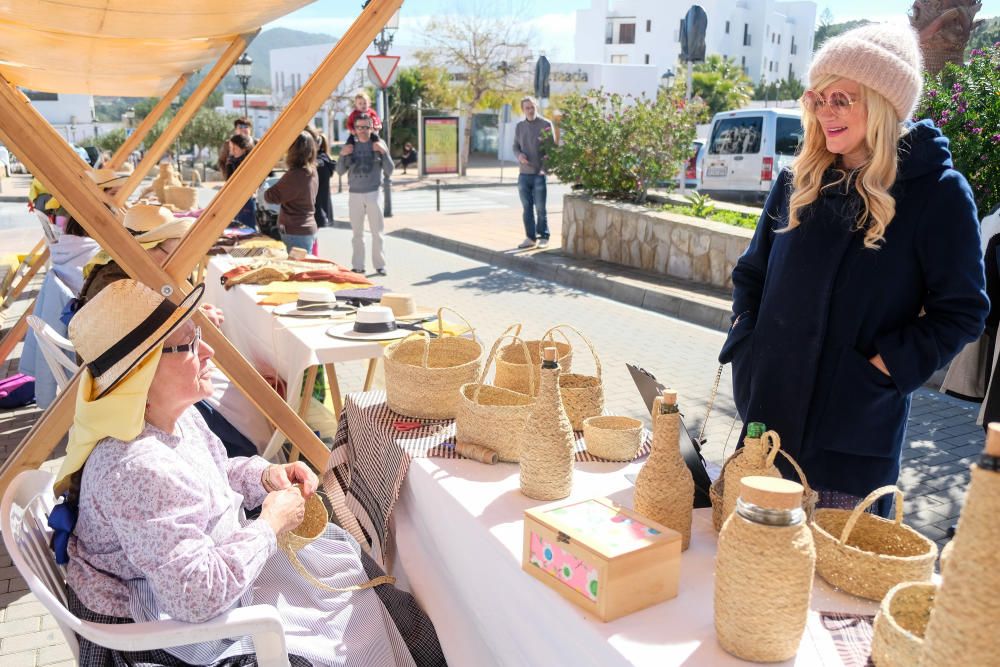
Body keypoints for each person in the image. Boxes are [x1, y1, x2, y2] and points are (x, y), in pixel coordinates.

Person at [55, 279, 444, 666]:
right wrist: (269, 524)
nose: (207, 351)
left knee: (364, 589)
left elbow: (215, 472)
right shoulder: (137, 466)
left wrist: (264, 477)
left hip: (194, 584)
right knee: (350, 625)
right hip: (153, 630)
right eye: (189, 345)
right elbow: (195, 597)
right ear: (142, 372)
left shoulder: (174, 419)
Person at [718, 24, 988, 516]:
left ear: (884, 103)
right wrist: (747, 341)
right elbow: (751, 273)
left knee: (833, 586)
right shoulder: (797, 179)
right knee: (747, 573)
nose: (825, 113)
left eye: (842, 98)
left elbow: (963, 311)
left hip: (850, 441)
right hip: (766, 426)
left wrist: (879, 371)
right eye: (818, 98)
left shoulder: (937, 192)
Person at [336, 118, 393, 275]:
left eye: (365, 127)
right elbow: (340, 171)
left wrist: (384, 152)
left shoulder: (378, 145)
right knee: (357, 234)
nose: (362, 130)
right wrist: (342, 155)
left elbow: (389, 170)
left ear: (371, 128)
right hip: (354, 194)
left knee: (377, 233)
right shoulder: (350, 147)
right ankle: (358, 266)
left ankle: (380, 265)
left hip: (373, 193)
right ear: (354, 129)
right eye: (359, 127)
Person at [265, 131, 319, 253]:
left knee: (295, 270)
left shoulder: (295, 175)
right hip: (305, 228)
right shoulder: (312, 171)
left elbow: (270, 196)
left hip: (295, 231)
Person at [513, 95, 554, 249]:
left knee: (541, 208)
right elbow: (515, 146)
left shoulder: (546, 124)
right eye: (527, 108)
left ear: (536, 107)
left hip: (539, 174)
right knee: (527, 208)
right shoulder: (519, 127)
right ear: (523, 109)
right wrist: (519, 155)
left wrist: (545, 169)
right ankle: (530, 238)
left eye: (532, 107)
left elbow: (551, 150)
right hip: (523, 174)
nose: (530, 110)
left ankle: (544, 236)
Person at [226, 133, 257, 229]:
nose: (232, 151)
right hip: (233, 200)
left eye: (234, 148)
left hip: (247, 201)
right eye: (230, 148)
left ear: (243, 149)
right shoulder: (231, 161)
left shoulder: (250, 162)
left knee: (247, 229)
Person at [314, 132, 336, 228]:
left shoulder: (319, 163)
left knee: (311, 237)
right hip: (322, 206)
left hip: (317, 206)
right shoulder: (325, 160)